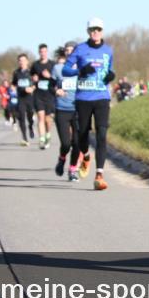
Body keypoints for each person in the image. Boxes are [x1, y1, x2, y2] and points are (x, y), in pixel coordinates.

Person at [63, 18, 115, 191]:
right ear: (88, 31)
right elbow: (65, 70)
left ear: (102, 31)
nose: (95, 32)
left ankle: (99, 174)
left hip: (101, 97)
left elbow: (110, 70)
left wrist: (110, 76)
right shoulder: (80, 49)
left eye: (98, 29)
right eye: (92, 29)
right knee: (82, 135)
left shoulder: (108, 50)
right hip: (83, 98)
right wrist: (80, 70)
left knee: (102, 134)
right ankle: (85, 155)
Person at [53, 48, 81, 180]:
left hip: (78, 110)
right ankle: (62, 158)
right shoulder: (58, 68)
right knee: (66, 144)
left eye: (72, 50)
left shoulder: (82, 68)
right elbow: (50, 85)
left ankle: (72, 170)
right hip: (62, 109)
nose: (70, 53)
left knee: (77, 142)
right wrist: (56, 90)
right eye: (68, 51)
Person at [31, 43, 57, 149]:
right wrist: (34, 79)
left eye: (45, 51)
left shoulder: (52, 64)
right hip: (38, 95)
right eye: (41, 52)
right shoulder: (35, 65)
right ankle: (41, 139)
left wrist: (49, 76)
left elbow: (56, 79)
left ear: (47, 52)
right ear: (39, 52)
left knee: (48, 119)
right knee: (40, 117)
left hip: (50, 95)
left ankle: (48, 134)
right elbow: (31, 76)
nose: (43, 53)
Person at [11, 54, 35, 146]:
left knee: (30, 116)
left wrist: (32, 88)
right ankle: (24, 138)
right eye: (20, 60)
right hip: (21, 98)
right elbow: (13, 83)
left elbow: (35, 83)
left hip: (30, 98)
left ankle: (31, 127)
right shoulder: (16, 73)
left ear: (27, 61)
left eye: (23, 60)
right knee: (21, 117)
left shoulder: (31, 72)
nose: (22, 62)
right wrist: (12, 88)